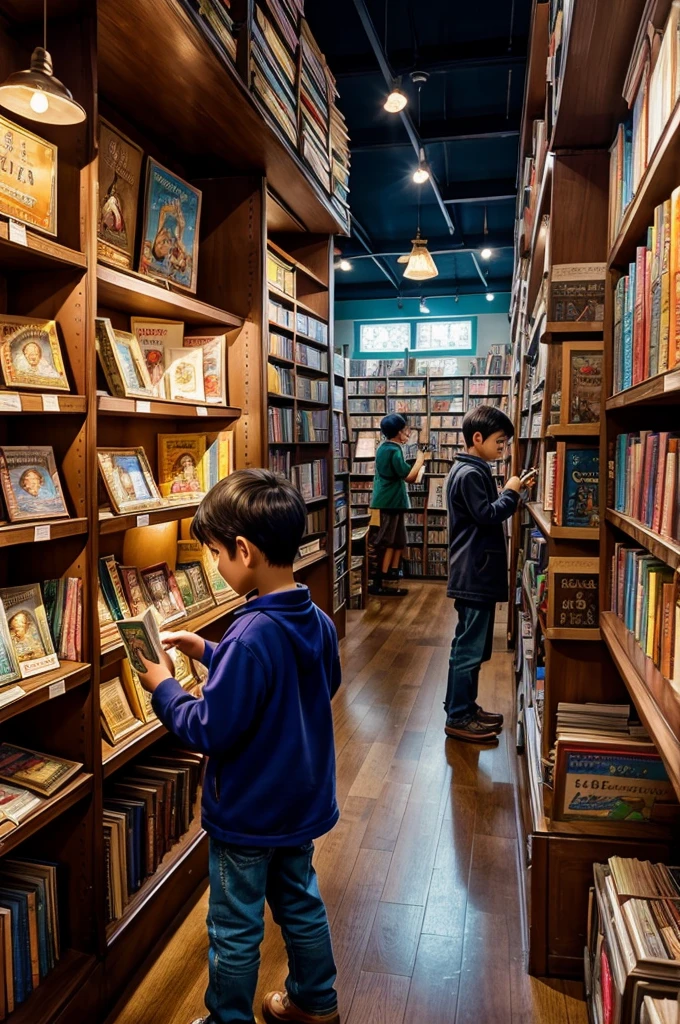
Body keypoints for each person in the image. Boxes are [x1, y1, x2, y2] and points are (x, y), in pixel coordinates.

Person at [136, 468, 342, 1024]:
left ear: (243, 552)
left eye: (215, 554)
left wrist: (165, 686)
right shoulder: (316, 618)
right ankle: (315, 1002)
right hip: (300, 803)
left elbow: (209, 726)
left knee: (234, 926)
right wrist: (208, 648)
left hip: (248, 812)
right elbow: (313, 682)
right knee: (301, 903)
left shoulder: (249, 636)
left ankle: (228, 1019)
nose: (215, 565)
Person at [443, 405, 535, 743]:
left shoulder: (472, 469)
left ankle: (464, 705)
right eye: (500, 441)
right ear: (477, 438)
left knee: (472, 646)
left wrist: (511, 490)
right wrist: (511, 492)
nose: (503, 447)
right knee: (468, 648)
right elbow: (486, 514)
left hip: (474, 573)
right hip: (473, 575)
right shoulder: (469, 473)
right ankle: (458, 716)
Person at [369, 413, 425, 596]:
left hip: (392, 500)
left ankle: (390, 574)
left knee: (397, 539)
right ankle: (381, 580)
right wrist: (419, 461)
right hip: (390, 501)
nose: (407, 433)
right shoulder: (393, 450)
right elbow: (408, 476)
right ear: (398, 432)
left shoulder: (384, 447)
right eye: (404, 429)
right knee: (387, 540)